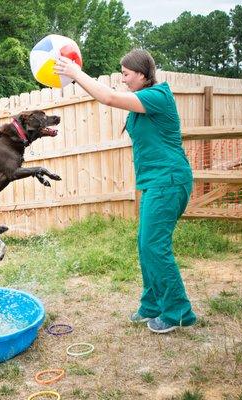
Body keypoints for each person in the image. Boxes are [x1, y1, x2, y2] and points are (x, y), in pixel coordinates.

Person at [54, 49, 196, 334]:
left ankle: (178, 312)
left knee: (155, 246)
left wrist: (76, 72)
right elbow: (106, 97)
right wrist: (74, 80)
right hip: (154, 182)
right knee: (146, 244)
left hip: (169, 181)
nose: (123, 79)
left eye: (127, 74)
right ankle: (152, 305)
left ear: (143, 74)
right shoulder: (141, 102)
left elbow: (108, 97)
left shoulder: (158, 96)